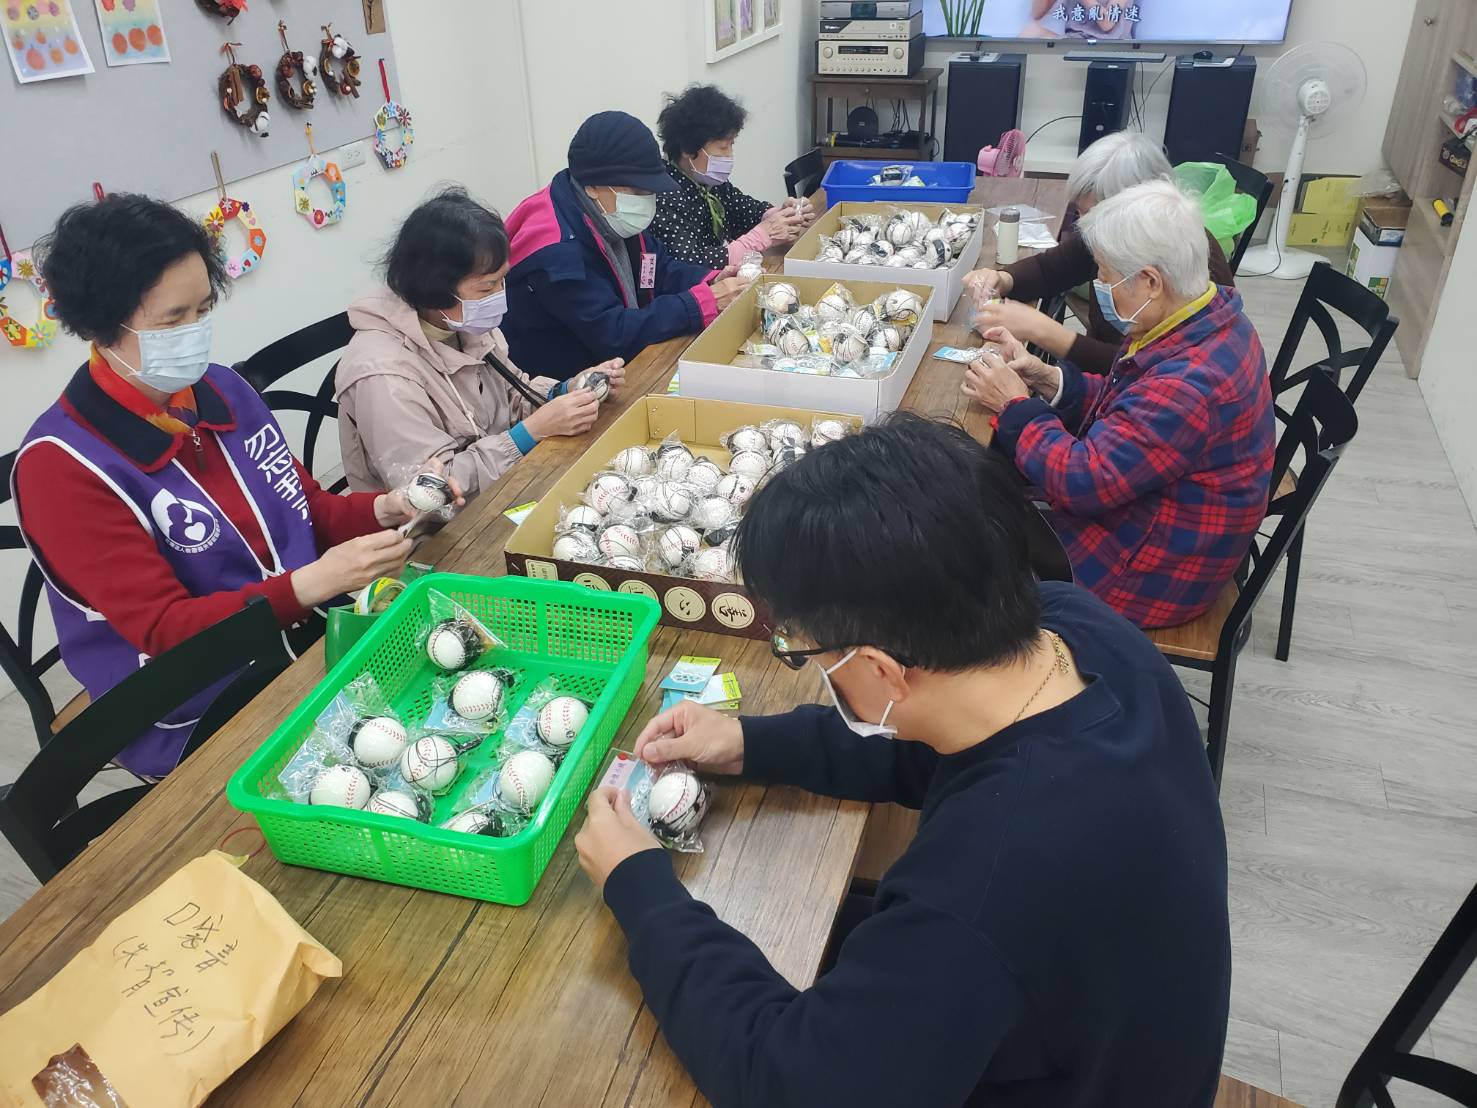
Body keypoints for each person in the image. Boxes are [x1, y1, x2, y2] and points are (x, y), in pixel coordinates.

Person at [575, 413, 1231, 1106]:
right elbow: (932, 743)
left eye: (804, 650)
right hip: (1100, 1024)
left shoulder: (978, 892)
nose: (807, 661)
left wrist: (640, 890)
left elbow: (789, 1085)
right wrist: (749, 742)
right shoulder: (1075, 627)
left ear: (883, 671)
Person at [17, 194, 430, 777]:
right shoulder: (61, 467)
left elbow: (304, 509)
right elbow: (165, 631)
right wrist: (313, 583)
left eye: (203, 309)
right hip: (194, 702)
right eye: (171, 320)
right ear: (103, 326)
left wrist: (384, 508)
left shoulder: (222, 391)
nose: (193, 332)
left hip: (305, 637)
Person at [964, 180, 1274, 630]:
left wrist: (1013, 405)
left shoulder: (1189, 384)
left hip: (1147, 573)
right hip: (1162, 526)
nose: (1101, 286)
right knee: (986, 483)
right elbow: (1130, 410)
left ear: (1151, 281)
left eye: (1107, 277)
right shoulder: (1208, 317)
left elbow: (1082, 480)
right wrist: (1046, 377)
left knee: (961, 525)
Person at [336, 187, 625, 500]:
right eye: (487, 288)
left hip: (500, 483)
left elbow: (512, 394)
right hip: (438, 523)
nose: (499, 296)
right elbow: (431, 495)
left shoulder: (459, 320)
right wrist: (528, 434)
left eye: (502, 280)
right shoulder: (384, 377)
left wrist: (566, 391)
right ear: (434, 290)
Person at [502, 111, 751, 380]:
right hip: (564, 384)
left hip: (615, 367)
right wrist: (700, 303)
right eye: (638, 191)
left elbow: (656, 269)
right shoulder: (558, 253)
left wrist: (711, 280)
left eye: (651, 191)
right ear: (592, 185)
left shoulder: (610, 213)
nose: (647, 200)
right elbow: (613, 333)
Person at [963, 131, 1233, 376]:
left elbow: (1141, 368)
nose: (1084, 226)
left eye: (1093, 214)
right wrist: (1002, 279)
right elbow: (1052, 269)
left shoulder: (1194, 266)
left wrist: (1042, 330)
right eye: (1080, 213)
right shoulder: (1113, 236)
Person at [649, 84, 815, 268]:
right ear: (687, 149)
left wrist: (781, 215)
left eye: (731, 145)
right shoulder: (665, 196)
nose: (729, 155)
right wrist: (761, 236)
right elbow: (690, 261)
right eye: (722, 147)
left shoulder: (708, 181)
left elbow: (741, 208)